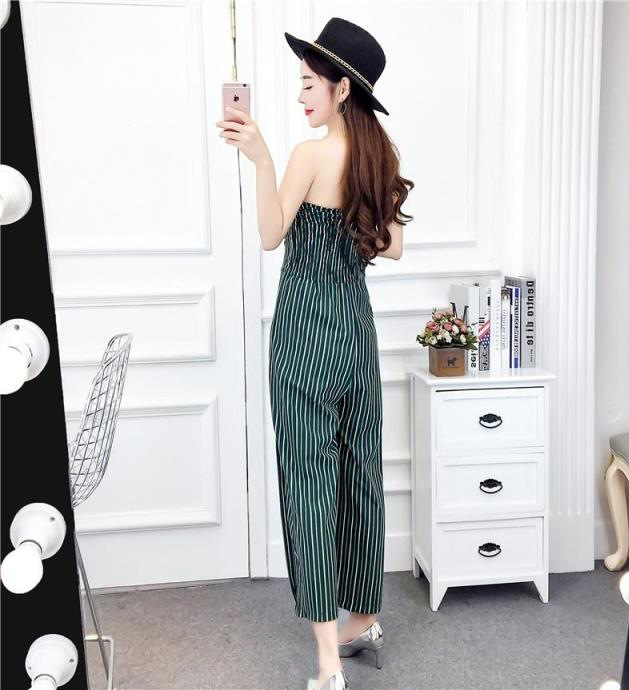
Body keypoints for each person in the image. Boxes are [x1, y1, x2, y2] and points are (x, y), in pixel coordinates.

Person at [216, 17, 414, 690]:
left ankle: (329, 665)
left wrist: (262, 160)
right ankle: (364, 619)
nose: (300, 95)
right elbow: (394, 246)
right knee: (360, 477)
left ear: (341, 89)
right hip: (356, 335)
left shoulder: (309, 154)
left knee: (309, 483)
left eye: (308, 83)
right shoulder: (377, 158)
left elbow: (272, 235)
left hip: (305, 336)